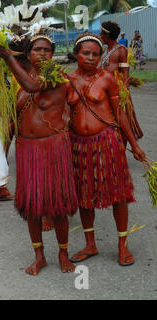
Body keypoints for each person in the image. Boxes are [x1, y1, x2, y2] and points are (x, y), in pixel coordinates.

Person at [0, 34, 78, 276]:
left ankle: (63, 253)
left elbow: (33, 86)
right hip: (28, 149)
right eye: (37, 49)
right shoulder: (17, 84)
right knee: (32, 208)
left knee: (59, 207)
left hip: (53, 147)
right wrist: (2, 152)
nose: (43, 54)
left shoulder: (56, 77)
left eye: (48, 50)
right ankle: (39, 256)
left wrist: (8, 57)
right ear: (28, 54)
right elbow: (12, 120)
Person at [66, 33, 146, 267]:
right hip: (78, 145)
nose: (90, 58)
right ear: (76, 54)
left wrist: (133, 144)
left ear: (101, 57)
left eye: (95, 54)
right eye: (85, 53)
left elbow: (120, 114)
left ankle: (123, 245)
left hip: (107, 142)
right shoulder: (66, 80)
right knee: (84, 196)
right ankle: (90, 243)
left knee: (118, 193)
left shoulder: (109, 79)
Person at [100, 21, 143, 141]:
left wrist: (123, 94)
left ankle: (122, 144)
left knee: (119, 119)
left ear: (107, 35)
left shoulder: (121, 50)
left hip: (117, 91)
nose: (100, 35)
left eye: (101, 33)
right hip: (105, 89)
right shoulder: (106, 50)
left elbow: (125, 73)